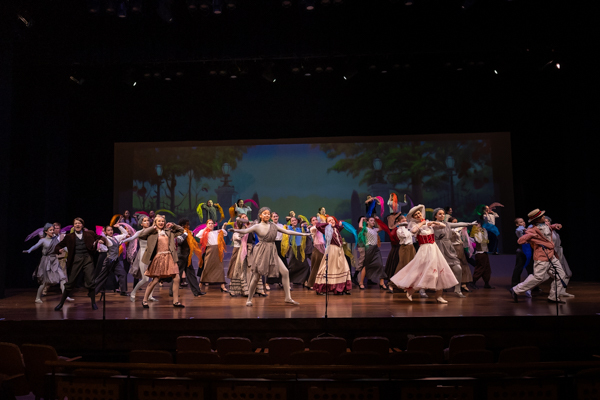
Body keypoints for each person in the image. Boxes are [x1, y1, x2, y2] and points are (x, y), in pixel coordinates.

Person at [233, 207, 310, 307]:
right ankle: (249, 299)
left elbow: (287, 232)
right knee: (256, 276)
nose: (267, 215)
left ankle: (288, 298)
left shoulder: (273, 225)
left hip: (272, 251)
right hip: (261, 251)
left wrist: (303, 234)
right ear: (260, 215)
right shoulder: (257, 226)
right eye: (265, 214)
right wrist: (234, 230)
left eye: (268, 214)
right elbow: (246, 231)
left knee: (285, 272)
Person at [389, 205, 459, 303]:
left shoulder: (427, 223)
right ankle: (411, 290)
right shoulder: (415, 225)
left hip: (434, 248)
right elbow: (413, 231)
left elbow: (443, 225)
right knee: (421, 272)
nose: (418, 215)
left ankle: (439, 296)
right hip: (424, 250)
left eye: (419, 213)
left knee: (439, 271)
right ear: (413, 217)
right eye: (416, 214)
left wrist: (433, 222)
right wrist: (422, 223)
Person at [510, 209, 567, 303]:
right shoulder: (531, 230)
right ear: (537, 219)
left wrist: (555, 226)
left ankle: (553, 297)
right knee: (538, 277)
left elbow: (549, 228)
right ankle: (516, 289)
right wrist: (529, 236)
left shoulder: (546, 225)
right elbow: (520, 241)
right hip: (542, 256)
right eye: (542, 216)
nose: (544, 217)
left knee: (561, 275)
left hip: (551, 256)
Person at [53, 218, 107, 311]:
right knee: (70, 282)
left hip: (87, 259)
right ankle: (61, 303)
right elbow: (59, 245)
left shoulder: (89, 233)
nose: (77, 225)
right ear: (73, 225)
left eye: (79, 223)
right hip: (76, 259)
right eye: (75, 223)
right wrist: (58, 250)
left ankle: (93, 303)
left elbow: (100, 237)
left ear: (82, 225)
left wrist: (102, 240)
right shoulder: (69, 236)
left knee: (91, 281)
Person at [139, 215, 185, 308]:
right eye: (159, 221)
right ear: (155, 222)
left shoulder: (169, 232)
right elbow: (141, 235)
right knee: (155, 280)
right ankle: (144, 300)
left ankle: (176, 301)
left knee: (177, 278)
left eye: (162, 221)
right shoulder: (152, 232)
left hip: (170, 257)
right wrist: (152, 228)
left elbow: (181, 231)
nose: (161, 223)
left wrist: (173, 225)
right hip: (159, 257)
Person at [432, 208, 477, 298]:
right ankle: (424, 289)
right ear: (435, 216)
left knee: (458, 269)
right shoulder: (433, 224)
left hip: (449, 248)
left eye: (443, 214)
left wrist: (470, 224)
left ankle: (457, 289)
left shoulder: (447, 224)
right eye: (440, 214)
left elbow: (459, 224)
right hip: (438, 247)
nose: (442, 215)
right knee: (434, 271)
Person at [23, 223, 73, 304]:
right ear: (46, 231)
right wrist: (29, 250)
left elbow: (62, 246)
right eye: (51, 230)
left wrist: (70, 251)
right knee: (44, 282)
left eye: (53, 230)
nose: (53, 231)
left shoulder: (55, 240)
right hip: (46, 261)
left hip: (54, 260)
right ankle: (37, 298)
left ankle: (65, 296)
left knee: (63, 278)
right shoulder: (43, 240)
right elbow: (35, 246)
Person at [312, 216, 352, 295]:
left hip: (339, 250)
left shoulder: (336, 229)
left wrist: (338, 224)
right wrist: (328, 224)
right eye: (329, 220)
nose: (332, 221)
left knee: (342, 267)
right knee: (328, 268)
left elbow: (340, 226)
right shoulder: (326, 229)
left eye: (333, 220)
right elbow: (318, 226)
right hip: (332, 250)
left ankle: (341, 288)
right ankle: (322, 288)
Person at [228, 215, 266, 297]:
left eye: (246, 216)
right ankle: (237, 290)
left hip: (252, 248)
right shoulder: (241, 226)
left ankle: (259, 290)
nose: (245, 218)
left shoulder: (252, 225)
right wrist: (245, 220)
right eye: (243, 217)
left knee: (254, 269)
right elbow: (238, 219)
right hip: (244, 249)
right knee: (241, 269)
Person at [124, 215, 158, 302]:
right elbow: (131, 238)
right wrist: (122, 240)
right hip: (143, 254)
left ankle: (150, 296)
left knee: (154, 278)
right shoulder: (139, 232)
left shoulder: (153, 231)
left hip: (152, 255)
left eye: (148, 220)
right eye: (145, 221)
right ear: (141, 223)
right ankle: (133, 292)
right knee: (145, 278)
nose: (147, 222)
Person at [94, 224, 130, 297]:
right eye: (108, 230)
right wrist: (101, 241)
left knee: (123, 274)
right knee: (101, 277)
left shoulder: (116, 238)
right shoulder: (106, 239)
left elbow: (125, 234)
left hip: (115, 261)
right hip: (109, 261)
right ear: (105, 232)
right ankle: (93, 291)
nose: (110, 231)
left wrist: (119, 227)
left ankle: (123, 291)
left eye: (111, 230)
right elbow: (103, 240)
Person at [172, 218, 204, 297]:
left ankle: (197, 291)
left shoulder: (190, 233)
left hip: (188, 257)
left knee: (191, 274)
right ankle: (172, 292)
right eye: (187, 224)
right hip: (181, 256)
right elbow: (179, 241)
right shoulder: (179, 232)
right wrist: (185, 234)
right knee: (177, 275)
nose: (189, 226)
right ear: (182, 225)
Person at [196, 219, 228, 292]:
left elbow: (225, 233)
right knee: (206, 267)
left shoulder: (216, 232)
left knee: (220, 268)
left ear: (214, 225)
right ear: (207, 225)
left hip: (217, 251)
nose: (211, 225)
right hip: (209, 251)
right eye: (209, 223)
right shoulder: (204, 233)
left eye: (212, 223)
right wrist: (205, 229)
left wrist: (223, 227)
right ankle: (200, 285)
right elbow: (198, 235)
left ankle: (222, 286)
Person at [544, 216, 573, 297]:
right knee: (543, 277)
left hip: (559, 252)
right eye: (544, 221)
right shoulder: (544, 232)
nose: (546, 223)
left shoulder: (554, 231)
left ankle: (562, 291)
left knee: (567, 273)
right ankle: (527, 288)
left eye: (548, 221)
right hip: (551, 254)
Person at [357, 216, 387, 290]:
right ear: (367, 222)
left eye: (373, 221)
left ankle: (381, 283)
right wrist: (361, 219)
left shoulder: (375, 229)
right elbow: (360, 226)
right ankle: (361, 282)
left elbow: (381, 228)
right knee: (366, 265)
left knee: (380, 264)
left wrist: (378, 220)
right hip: (369, 248)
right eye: (371, 220)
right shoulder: (366, 229)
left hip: (375, 249)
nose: (373, 222)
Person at [449, 217, 475, 293]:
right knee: (454, 266)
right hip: (452, 248)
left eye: (457, 222)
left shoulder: (459, 229)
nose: (456, 224)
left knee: (463, 265)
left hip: (460, 248)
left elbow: (464, 239)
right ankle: (453, 284)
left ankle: (464, 284)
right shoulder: (449, 229)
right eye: (454, 223)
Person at [285, 217, 311, 286]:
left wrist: (305, 226)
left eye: (295, 220)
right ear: (290, 222)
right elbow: (285, 227)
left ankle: (305, 281)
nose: (294, 222)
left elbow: (307, 229)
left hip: (300, 248)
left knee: (305, 265)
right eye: (292, 221)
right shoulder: (289, 228)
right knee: (292, 265)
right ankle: (287, 281)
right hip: (293, 248)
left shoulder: (300, 229)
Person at [511, 217, 534, 289]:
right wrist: (526, 229)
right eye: (520, 222)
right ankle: (515, 285)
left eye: (523, 221)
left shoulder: (527, 229)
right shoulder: (519, 230)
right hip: (521, 250)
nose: (523, 223)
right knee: (519, 267)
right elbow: (519, 230)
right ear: (517, 224)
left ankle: (533, 285)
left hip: (529, 250)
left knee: (531, 268)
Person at [470, 220, 494, 289]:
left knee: (487, 268)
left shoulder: (481, 232)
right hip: (480, 254)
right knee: (480, 268)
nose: (479, 226)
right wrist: (481, 232)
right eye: (477, 225)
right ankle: (473, 282)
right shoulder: (475, 234)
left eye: (480, 225)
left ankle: (486, 283)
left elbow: (486, 240)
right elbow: (480, 240)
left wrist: (485, 232)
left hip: (484, 252)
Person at [306, 216, 325, 290]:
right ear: (311, 222)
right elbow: (316, 228)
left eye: (316, 219)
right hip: (317, 248)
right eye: (313, 220)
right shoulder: (312, 228)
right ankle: (311, 283)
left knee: (322, 267)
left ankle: (320, 283)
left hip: (323, 248)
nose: (315, 221)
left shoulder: (321, 228)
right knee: (316, 267)